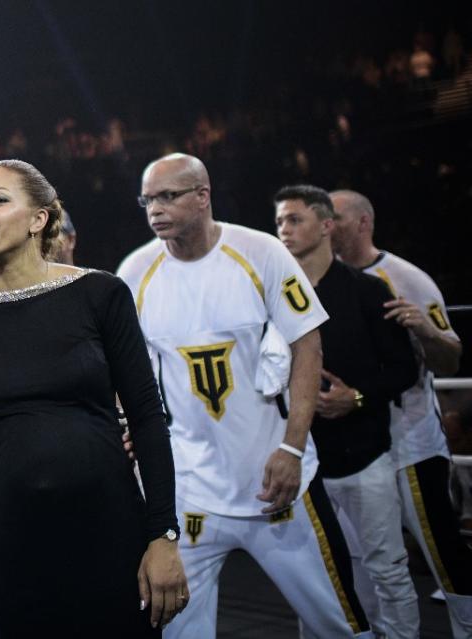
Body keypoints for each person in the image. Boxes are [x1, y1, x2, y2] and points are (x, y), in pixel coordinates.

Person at [117, 154, 372, 638]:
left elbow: (308, 344)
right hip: (190, 492)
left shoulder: (260, 252)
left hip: (275, 482)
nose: (155, 208)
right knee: (174, 628)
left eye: (168, 196)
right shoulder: (134, 272)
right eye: (148, 199)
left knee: (339, 626)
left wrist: (293, 447)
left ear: (202, 196)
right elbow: (123, 373)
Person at [0, 159, 186, 638]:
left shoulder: (100, 293)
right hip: (14, 543)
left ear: (39, 219)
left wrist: (163, 536)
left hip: (111, 531)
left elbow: (148, 418)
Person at [274, 185, 420, 638]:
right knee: (318, 580)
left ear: (326, 225)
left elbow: (403, 370)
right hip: (304, 461)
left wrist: (355, 397)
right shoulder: (270, 294)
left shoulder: (367, 291)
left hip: (365, 456)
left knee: (388, 569)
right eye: (279, 221)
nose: (283, 230)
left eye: (294, 220)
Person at [330, 189, 472, 637]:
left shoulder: (406, 277)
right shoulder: (317, 284)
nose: (326, 227)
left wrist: (427, 331)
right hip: (352, 444)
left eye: (334, 218)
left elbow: (452, 358)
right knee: (363, 559)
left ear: (363, 221)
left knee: (442, 551)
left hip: (410, 442)